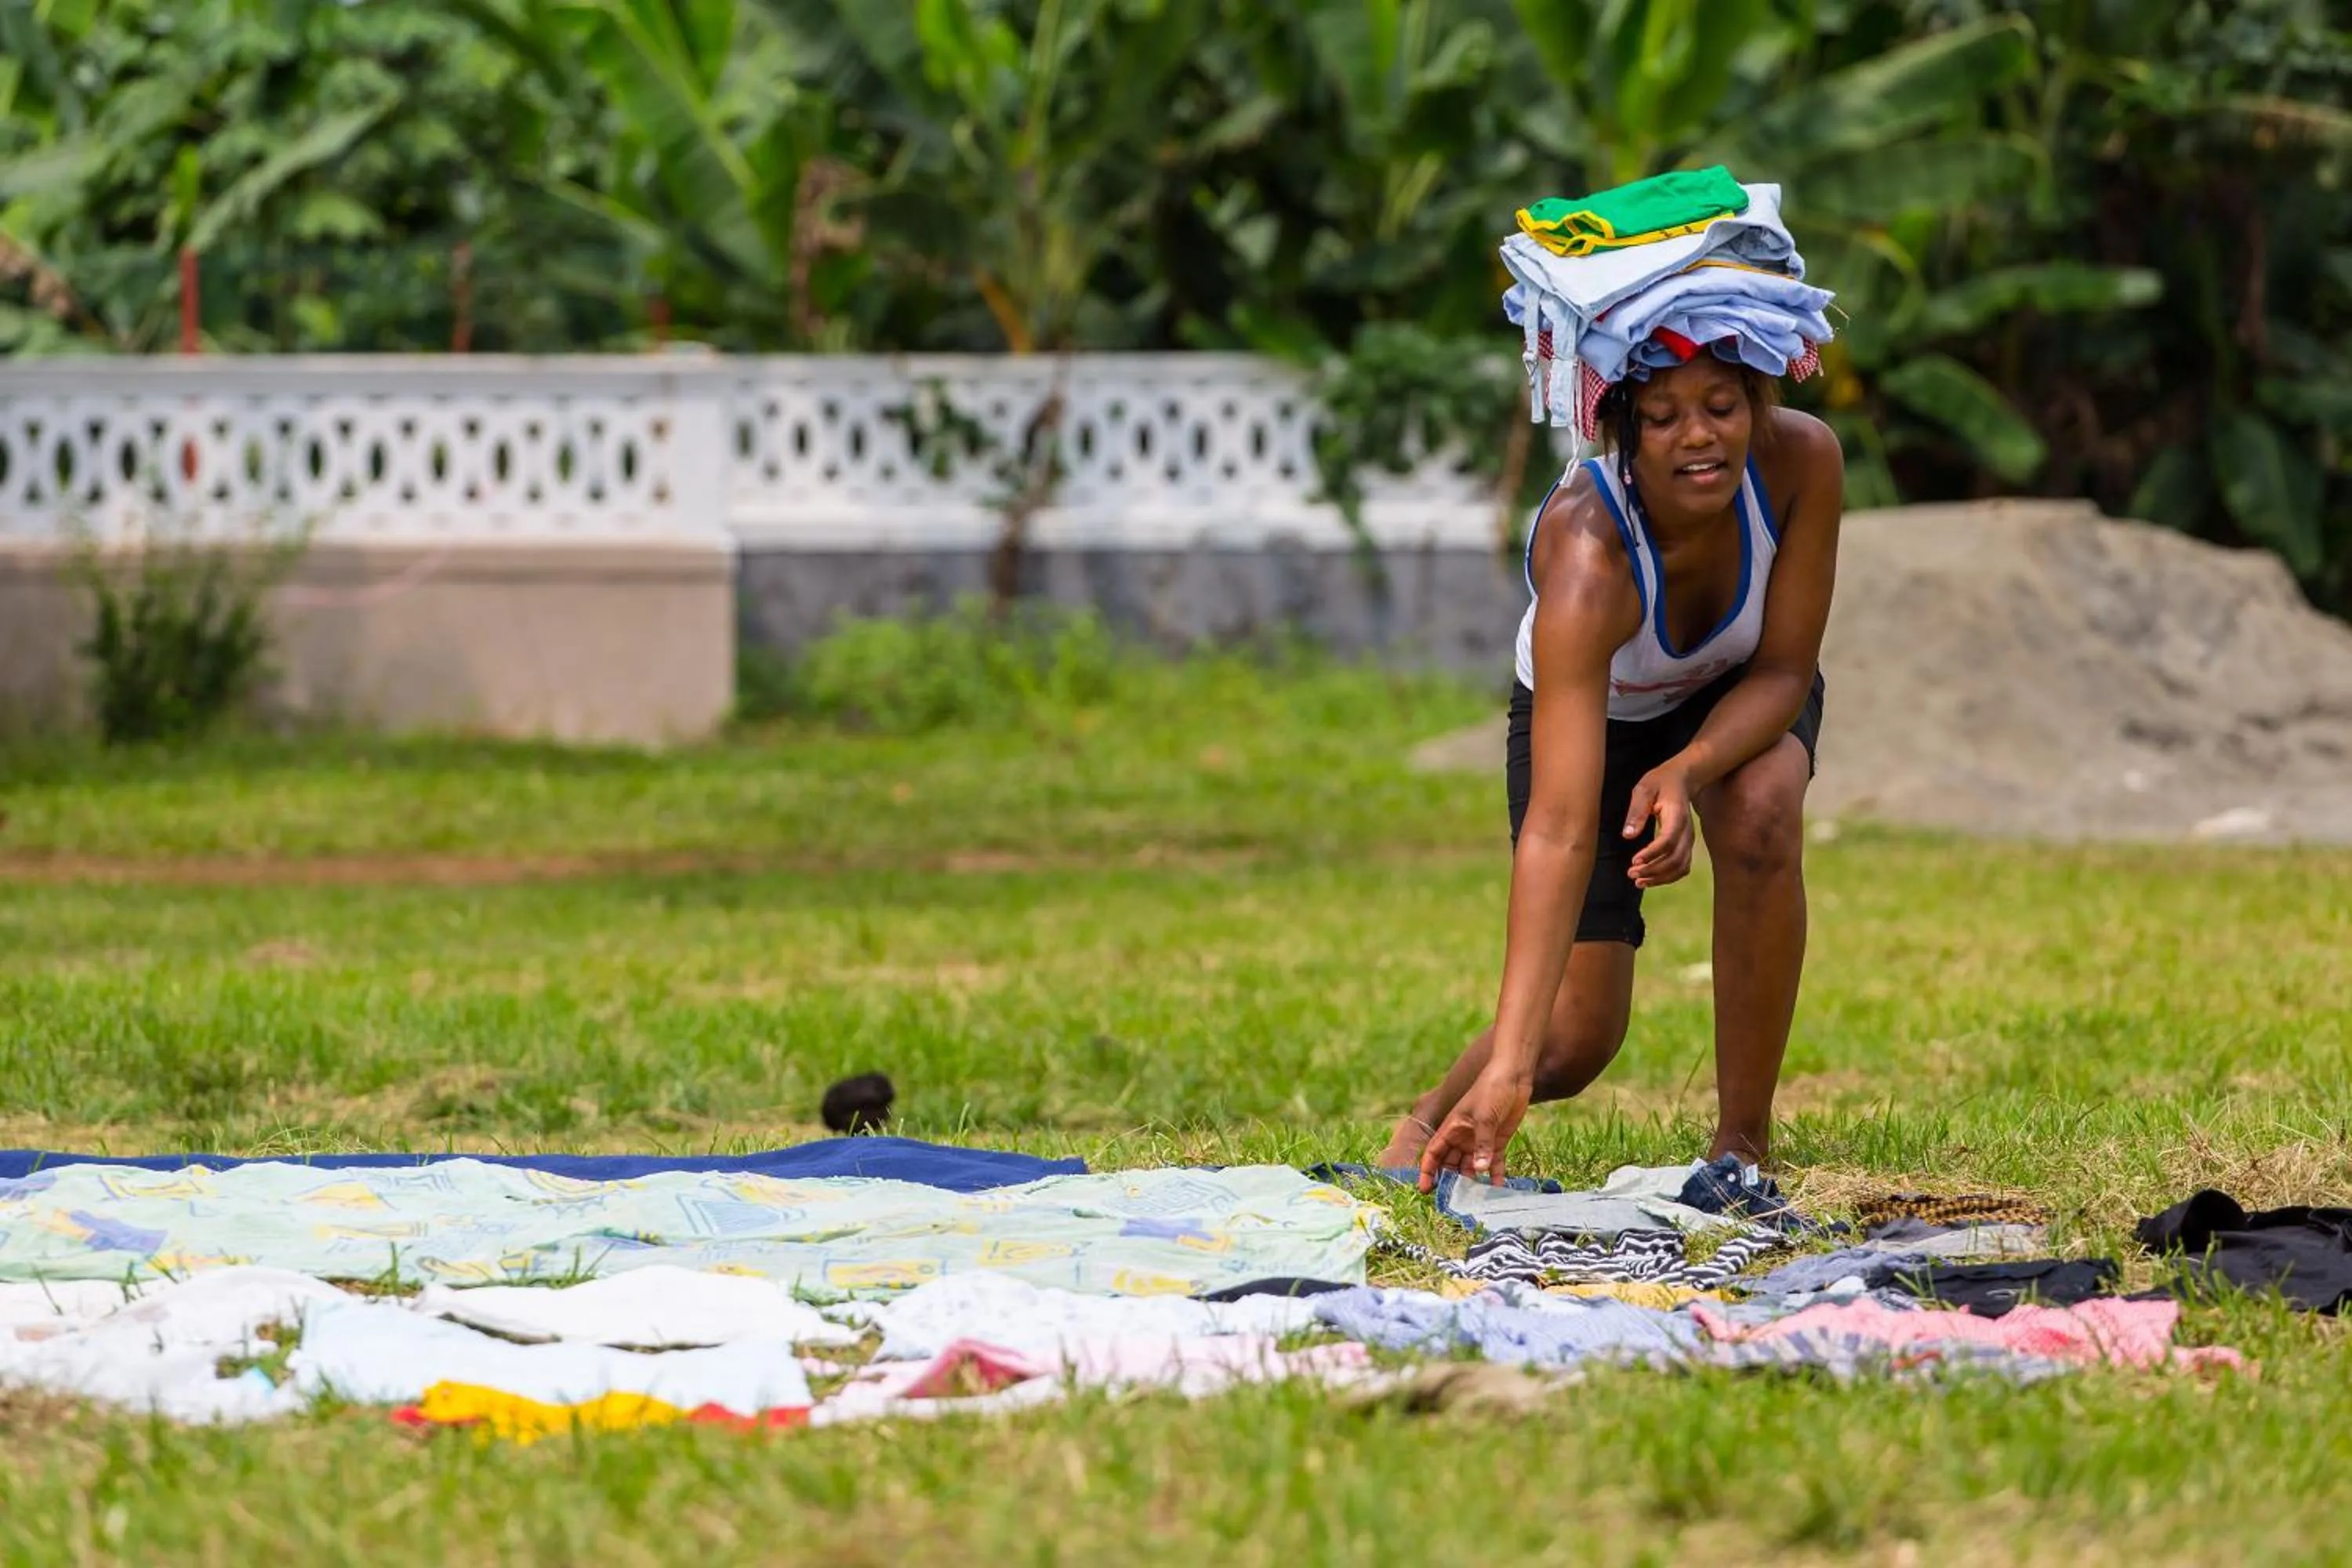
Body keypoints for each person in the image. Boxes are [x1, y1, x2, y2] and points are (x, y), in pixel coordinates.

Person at [1380, 348, 1844, 1189]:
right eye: (1663, 417)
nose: (1698, 437)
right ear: (1622, 433)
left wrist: (1691, 769)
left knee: (1762, 803)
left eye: (1721, 407)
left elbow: (1783, 671)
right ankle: (1430, 1120)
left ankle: (1743, 1144)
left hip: (1738, 696)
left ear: (1756, 403)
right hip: (1600, 720)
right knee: (1573, 1041)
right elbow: (1558, 829)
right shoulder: (1590, 555)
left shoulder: (1801, 461)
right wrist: (1515, 1067)